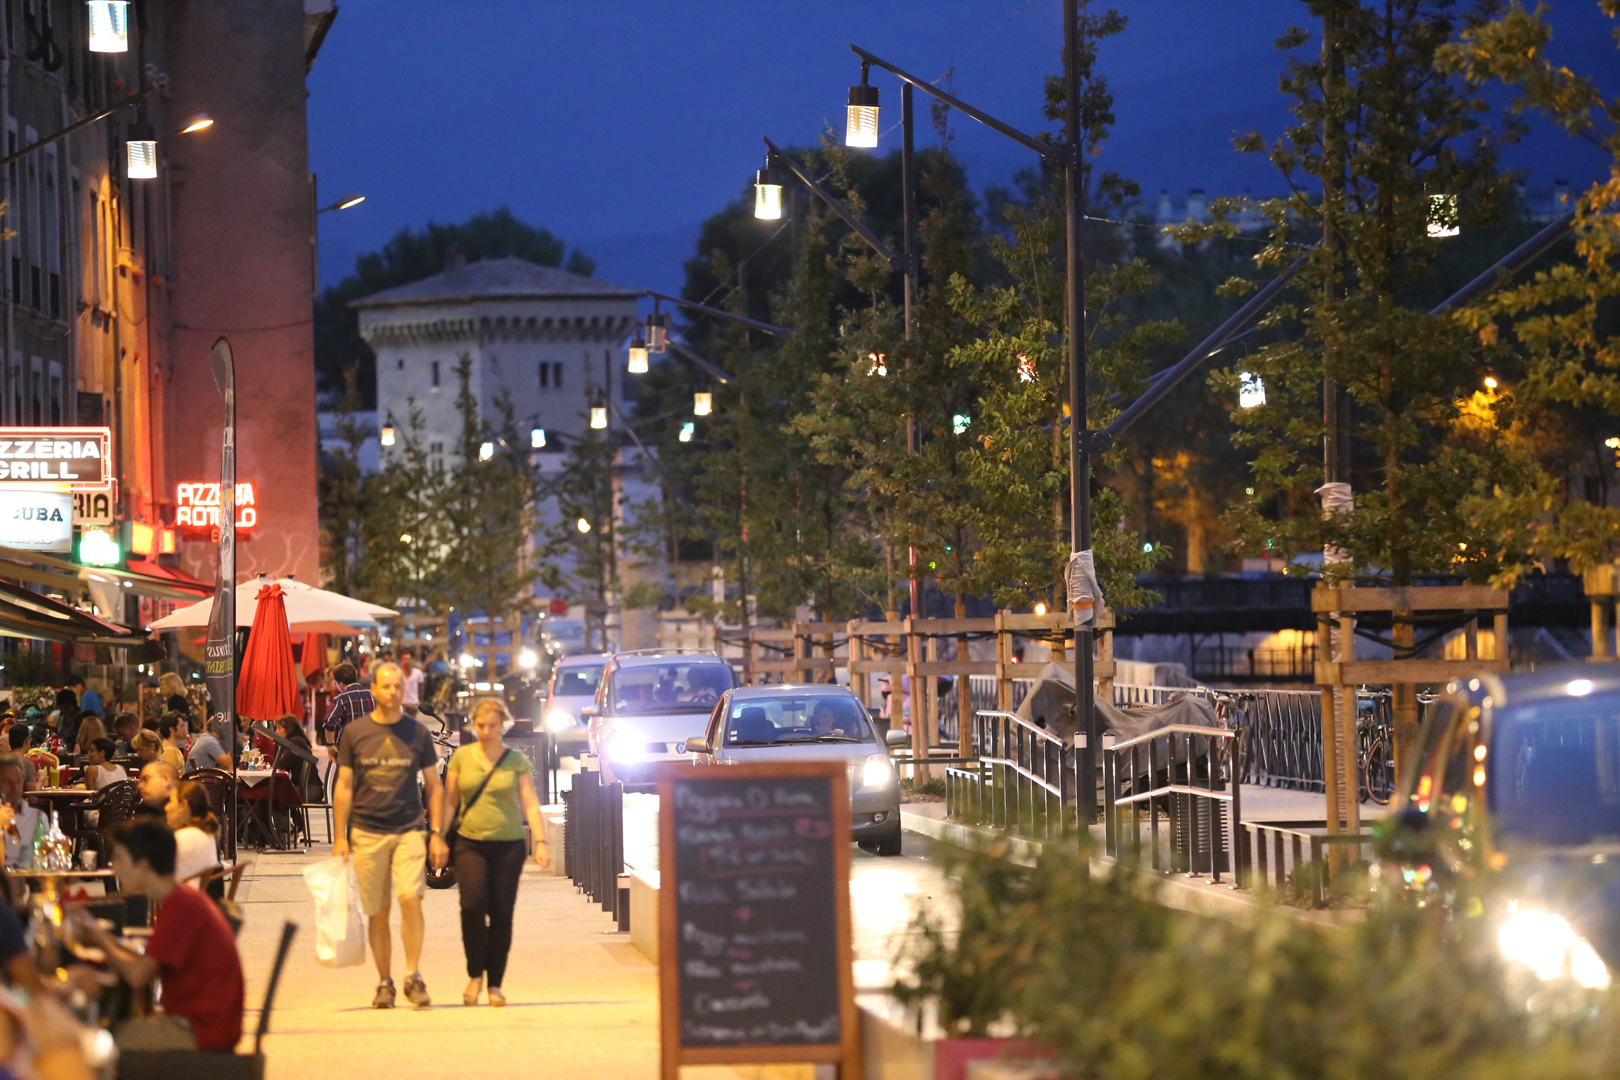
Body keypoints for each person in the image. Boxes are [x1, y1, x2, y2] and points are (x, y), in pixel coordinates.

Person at [70, 821, 243, 1051]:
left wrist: (100, 939)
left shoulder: (180, 905)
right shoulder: (183, 898)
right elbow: (147, 962)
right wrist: (102, 937)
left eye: (120, 858)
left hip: (200, 1031)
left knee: (94, 1046)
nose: (114, 866)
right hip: (210, 1024)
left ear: (143, 865)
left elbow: (137, 976)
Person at [332, 662, 445, 1009]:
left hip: (410, 829)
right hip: (367, 832)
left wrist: (437, 833)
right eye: (386, 686)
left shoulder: (418, 733)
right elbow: (345, 785)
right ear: (374, 690)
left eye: (398, 686)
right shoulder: (355, 733)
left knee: (411, 898)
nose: (393, 692)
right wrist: (340, 836)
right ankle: (385, 982)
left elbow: (435, 787)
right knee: (377, 912)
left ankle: (414, 975)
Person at [440, 697, 548, 1007]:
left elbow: (529, 802)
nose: (486, 731)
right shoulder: (462, 758)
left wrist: (540, 842)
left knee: (502, 914)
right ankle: (475, 974)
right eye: (481, 725)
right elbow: (450, 800)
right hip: (469, 842)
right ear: (474, 726)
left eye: (492, 726)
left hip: (509, 846)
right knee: (472, 906)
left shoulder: (515, 761)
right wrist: (439, 837)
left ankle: (495, 984)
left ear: (503, 726)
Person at [165, 782, 221, 885]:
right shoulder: (206, 834)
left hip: (183, 899)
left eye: (170, 802)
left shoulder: (185, 837)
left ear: (183, 805)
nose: (166, 808)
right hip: (197, 897)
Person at [0, 757, 41, 868]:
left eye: (18, 781)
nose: (14, 786)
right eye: (8, 782)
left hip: (26, 877)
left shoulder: (37, 817)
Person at [322, 662, 372, 746]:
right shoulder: (372, 695)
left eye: (336, 683)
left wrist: (331, 745)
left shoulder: (340, 700)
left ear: (341, 684)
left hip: (348, 749)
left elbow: (329, 723)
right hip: (371, 745)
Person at [400, 653, 424, 720]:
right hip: (402, 703)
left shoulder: (418, 673)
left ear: (411, 660)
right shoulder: (399, 673)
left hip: (413, 703)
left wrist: (420, 700)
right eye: (404, 659)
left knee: (412, 722)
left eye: (408, 659)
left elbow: (421, 688)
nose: (406, 661)